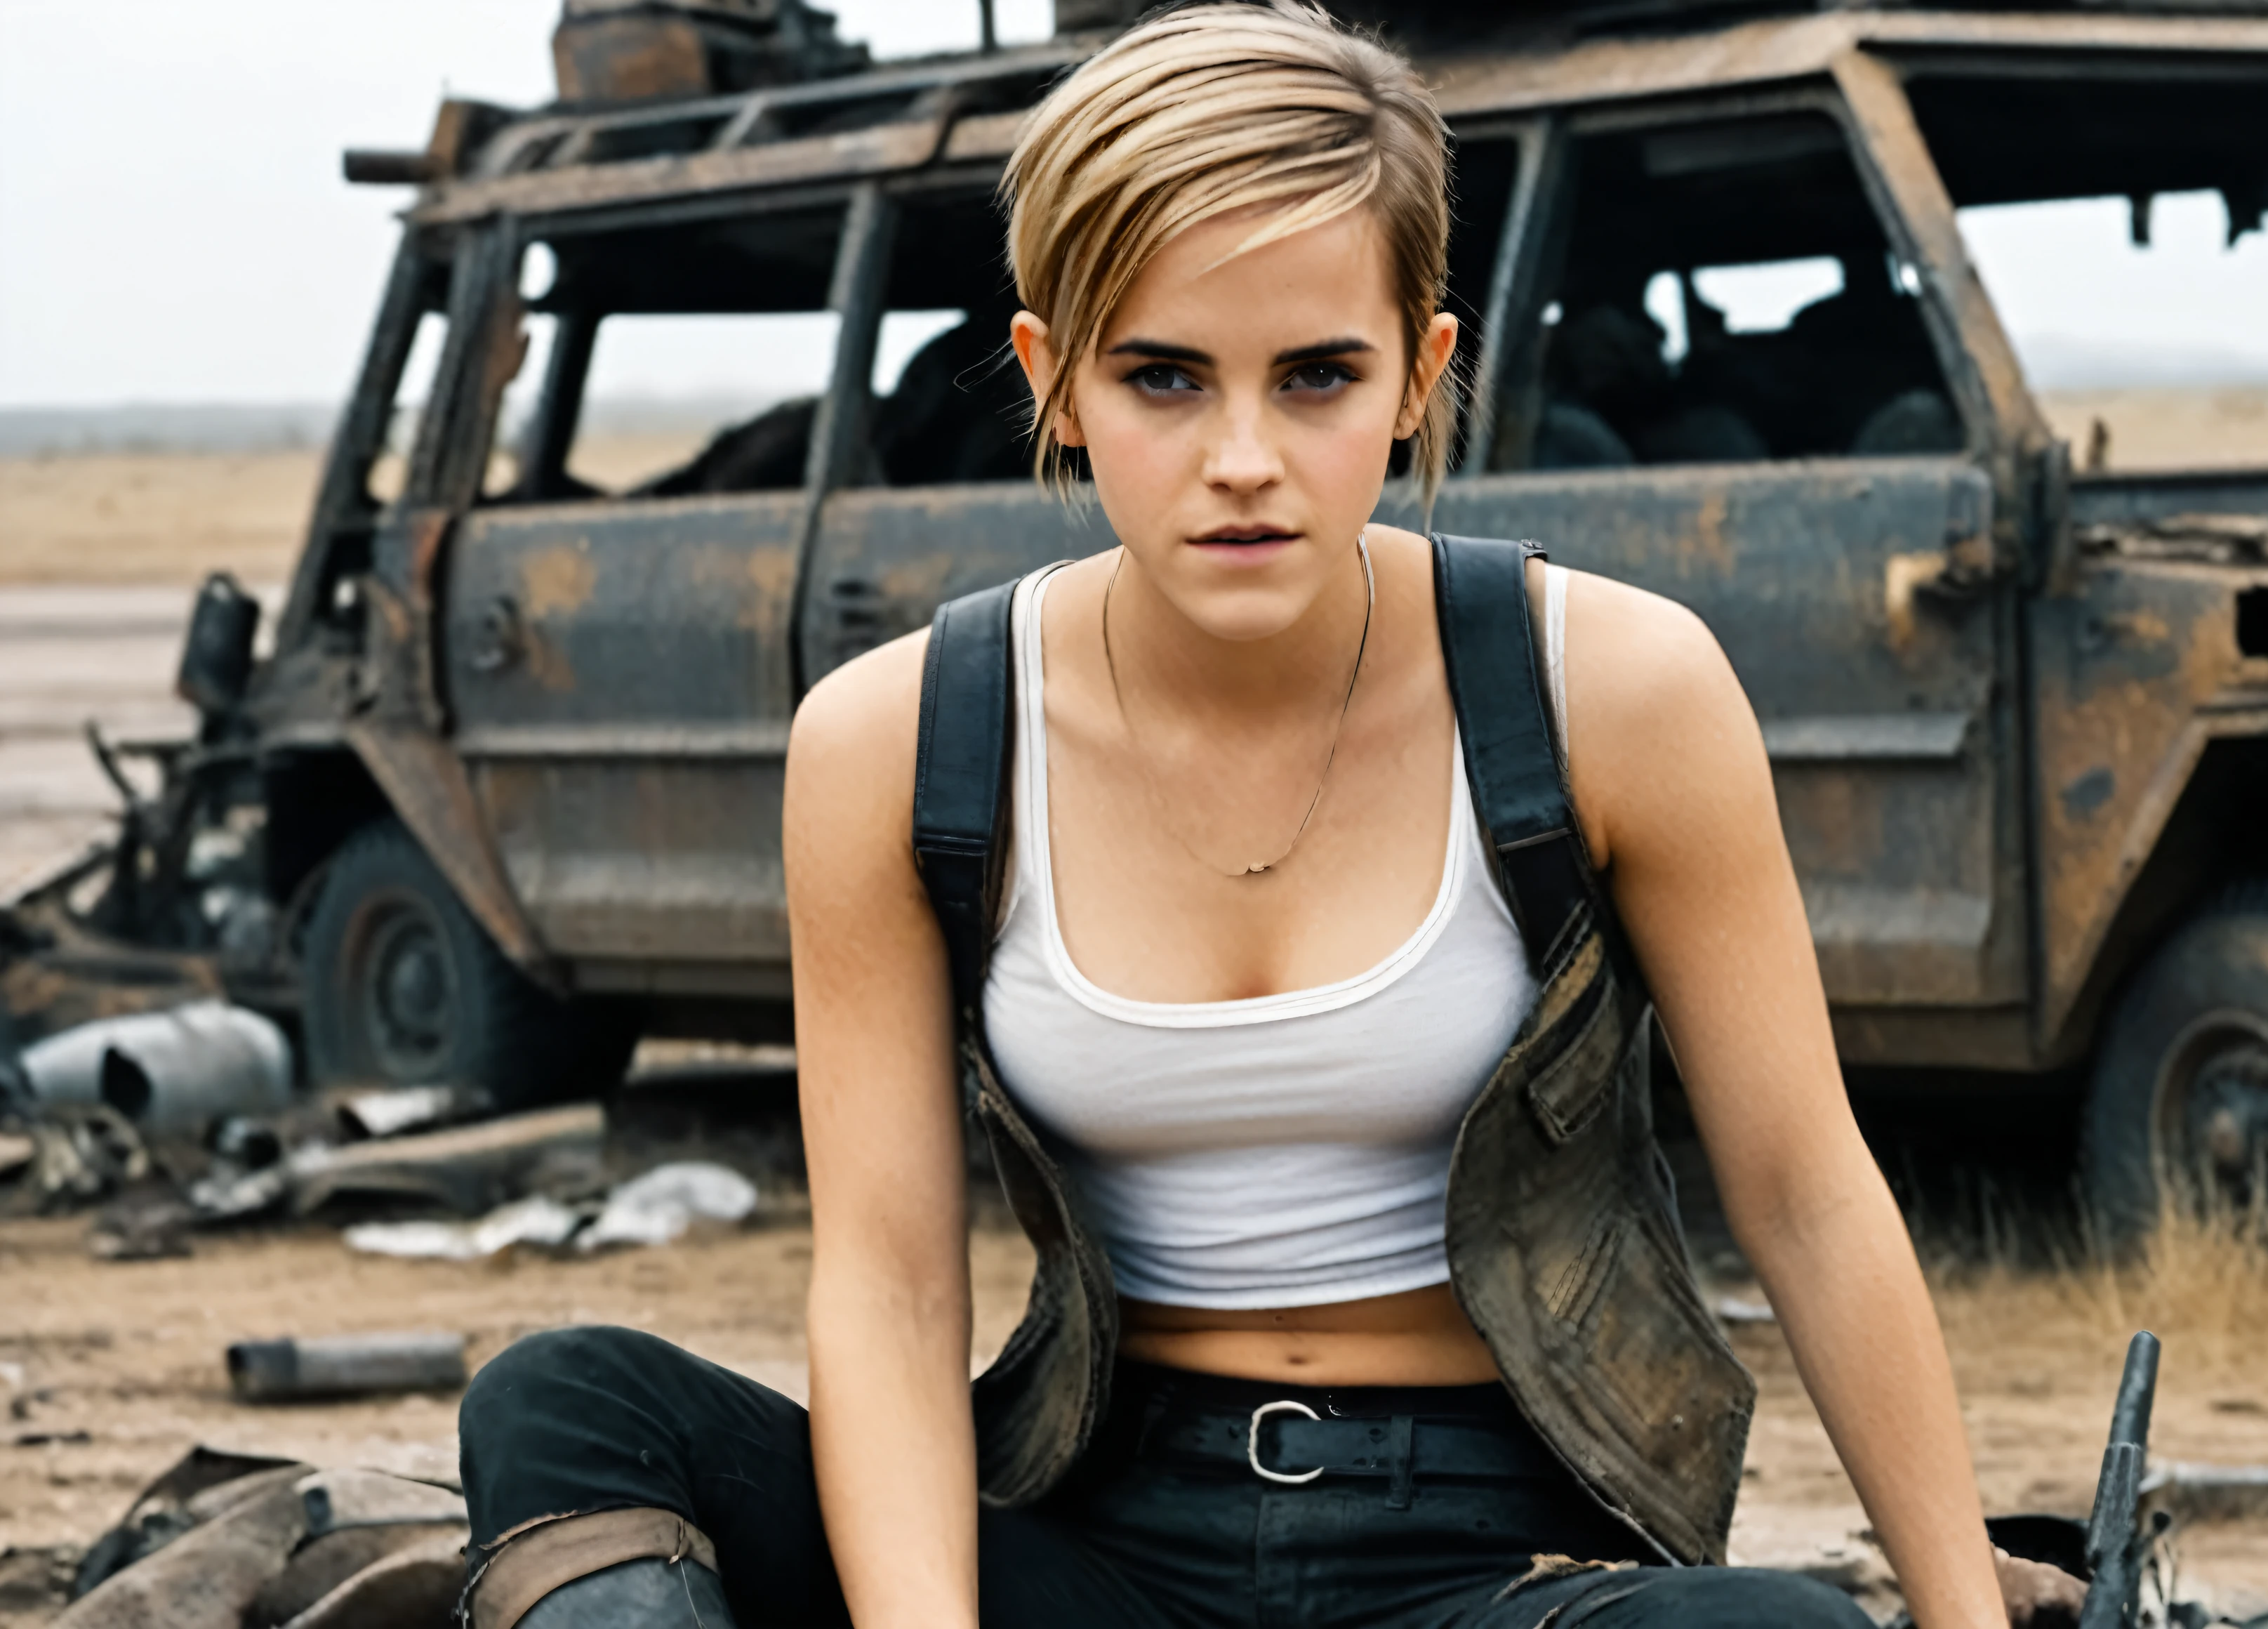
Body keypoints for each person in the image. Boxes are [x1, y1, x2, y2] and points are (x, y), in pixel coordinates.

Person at [456, 6, 2060, 1625]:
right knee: (571, 1399)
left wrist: (1964, 1612)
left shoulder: (1612, 690)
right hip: (1091, 1532)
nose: (1243, 458)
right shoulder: (898, 739)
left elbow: (1805, 1187)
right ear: (1056, 380)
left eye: (1316, 377)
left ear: (1422, 374)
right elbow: (883, 1278)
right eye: (1163, 376)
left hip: (1475, 1559)